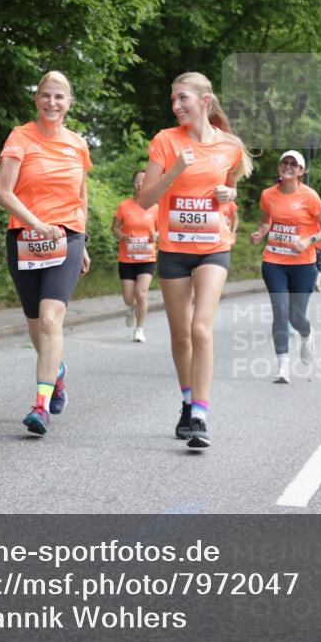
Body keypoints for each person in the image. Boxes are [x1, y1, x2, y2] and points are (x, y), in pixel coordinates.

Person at [139, 72, 252, 449]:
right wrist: (175, 170)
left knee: (201, 328)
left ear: (205, 100)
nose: (176, 106)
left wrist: (228, 195)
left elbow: (229, 191)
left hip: (212, 247)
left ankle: (200, 415)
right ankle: (187, 402)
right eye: (173, 99)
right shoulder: (165, 141)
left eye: (182, 98)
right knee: (180, 333)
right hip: (173, 251)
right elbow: (144, 200)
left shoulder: (230, 146)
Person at [0, 71, 91, 436]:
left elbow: (81, 196)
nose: (52, 102)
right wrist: (35, 223)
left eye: (59, 97)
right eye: (46, 96)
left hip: (67, 236)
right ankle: (58, 372)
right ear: (36, 99)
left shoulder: (78, 144)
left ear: (69, 103)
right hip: (25, 237)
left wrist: (83, 242)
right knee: (36, 323)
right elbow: (4, 190)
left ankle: (41, 405)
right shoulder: (20, 137)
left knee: (51, 319)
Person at [250, 151, 321, 385]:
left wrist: (308, 241)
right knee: (280, 310)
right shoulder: (268, 194)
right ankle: (283, 365)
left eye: (293, 164)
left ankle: (306, 334)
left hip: (303, 265)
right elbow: (266, 221)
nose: (288, 167)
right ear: (279, 167)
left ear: (301, 171)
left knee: (296, 317)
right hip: (274, 261)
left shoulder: (310, 196)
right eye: (284, 163)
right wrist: (260, 233)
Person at [111, 170, 158, 343]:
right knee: (129, 298)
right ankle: (131, 307)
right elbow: (114, 227)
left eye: (144, 181)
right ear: (133, 184)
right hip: (127, 258)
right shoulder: (124, 206)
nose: (141, 184)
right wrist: (123, 237)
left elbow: (162, 230)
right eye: (138, 181)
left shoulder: (155, 207)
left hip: (147, 258)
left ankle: (139, 329)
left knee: (141, 294)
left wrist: (156, 235)